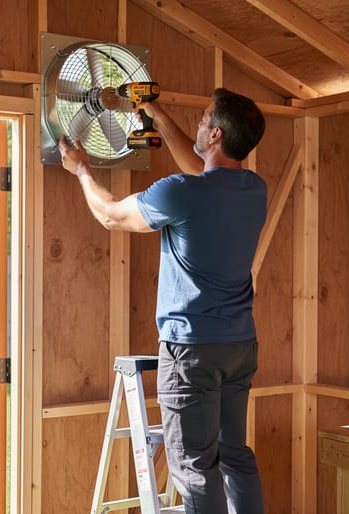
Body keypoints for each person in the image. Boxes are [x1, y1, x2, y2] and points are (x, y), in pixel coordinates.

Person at [58, 87, 267, 514]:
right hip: (239, 346)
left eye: (205, 119)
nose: (199, 122)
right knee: (234, 457)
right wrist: (153, 109)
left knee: (194, 469)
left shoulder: (181, 193)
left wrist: (81, 170)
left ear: (216, 136)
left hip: (191, 351)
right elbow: (203, 174)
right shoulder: (253, 190)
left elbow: (111, 214)